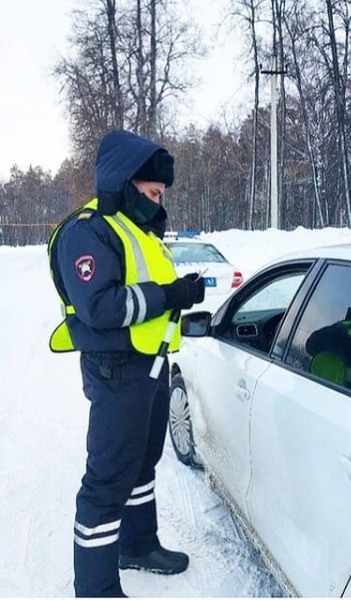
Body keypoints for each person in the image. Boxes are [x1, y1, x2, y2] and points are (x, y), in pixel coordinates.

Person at [47, 130, 206, 597]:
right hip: (116, 370)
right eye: (152, 193)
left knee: (141, 465)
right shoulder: (87, 231)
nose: (158, 203)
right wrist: (168, 295)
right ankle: (95, 588)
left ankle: (138, 545)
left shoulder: (137, 230)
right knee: (108, 477)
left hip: (150, 367)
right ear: (124, 183)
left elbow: (149, 292)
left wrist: (180, 295)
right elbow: (102, 306)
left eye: (161, 195)